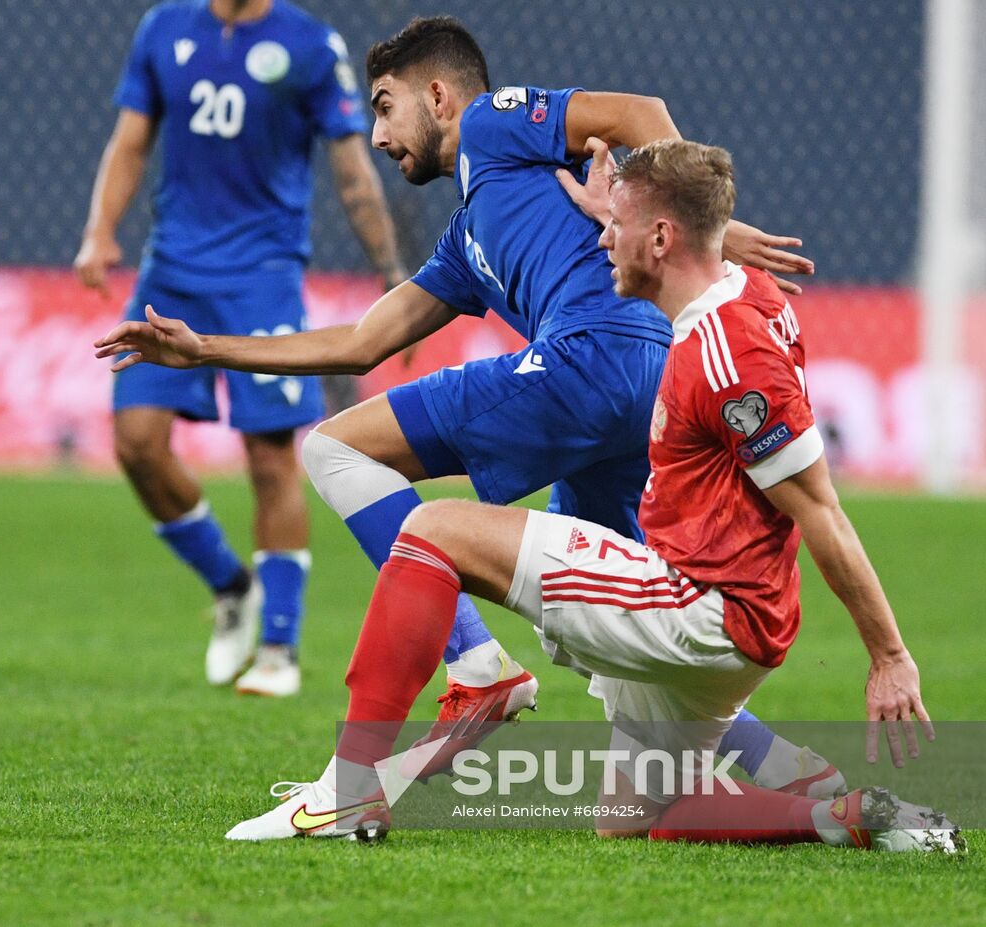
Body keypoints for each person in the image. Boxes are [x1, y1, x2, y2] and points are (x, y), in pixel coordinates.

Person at [95, 16, 837, 795]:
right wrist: (207, 349)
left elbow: (639, 111)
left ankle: (477, 662)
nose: (378, 135)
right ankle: (802, 779)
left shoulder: (493, 123)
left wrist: (700, 229)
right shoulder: (467, 236)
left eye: (385, 106)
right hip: (641, 390)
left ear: (440, 95)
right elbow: (360, 341)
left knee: (333, 448)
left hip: (588, 360)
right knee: (603, 634)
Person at [220, 137, 961, 851]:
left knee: (434, 532)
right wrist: (615, 202)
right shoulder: (743, 294)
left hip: (698, 607)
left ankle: (349, 790)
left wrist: (890, 654)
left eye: (619, 227)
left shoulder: (730, 355)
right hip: (735, 626)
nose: (603, 241)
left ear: (664, 238)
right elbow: (675, 257)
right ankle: (848, 814)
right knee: (629, 818)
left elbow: (822, 511)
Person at [76, 0, 410, 696]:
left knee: (268, 456)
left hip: (263, 278)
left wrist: (391, 269)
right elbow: (130, 140)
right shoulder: (163, 28)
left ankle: (280, 649)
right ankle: (231, 585)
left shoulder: (310, 45)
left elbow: (352, 167)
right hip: (171, 270)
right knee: (136, 443)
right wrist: (99, 229)